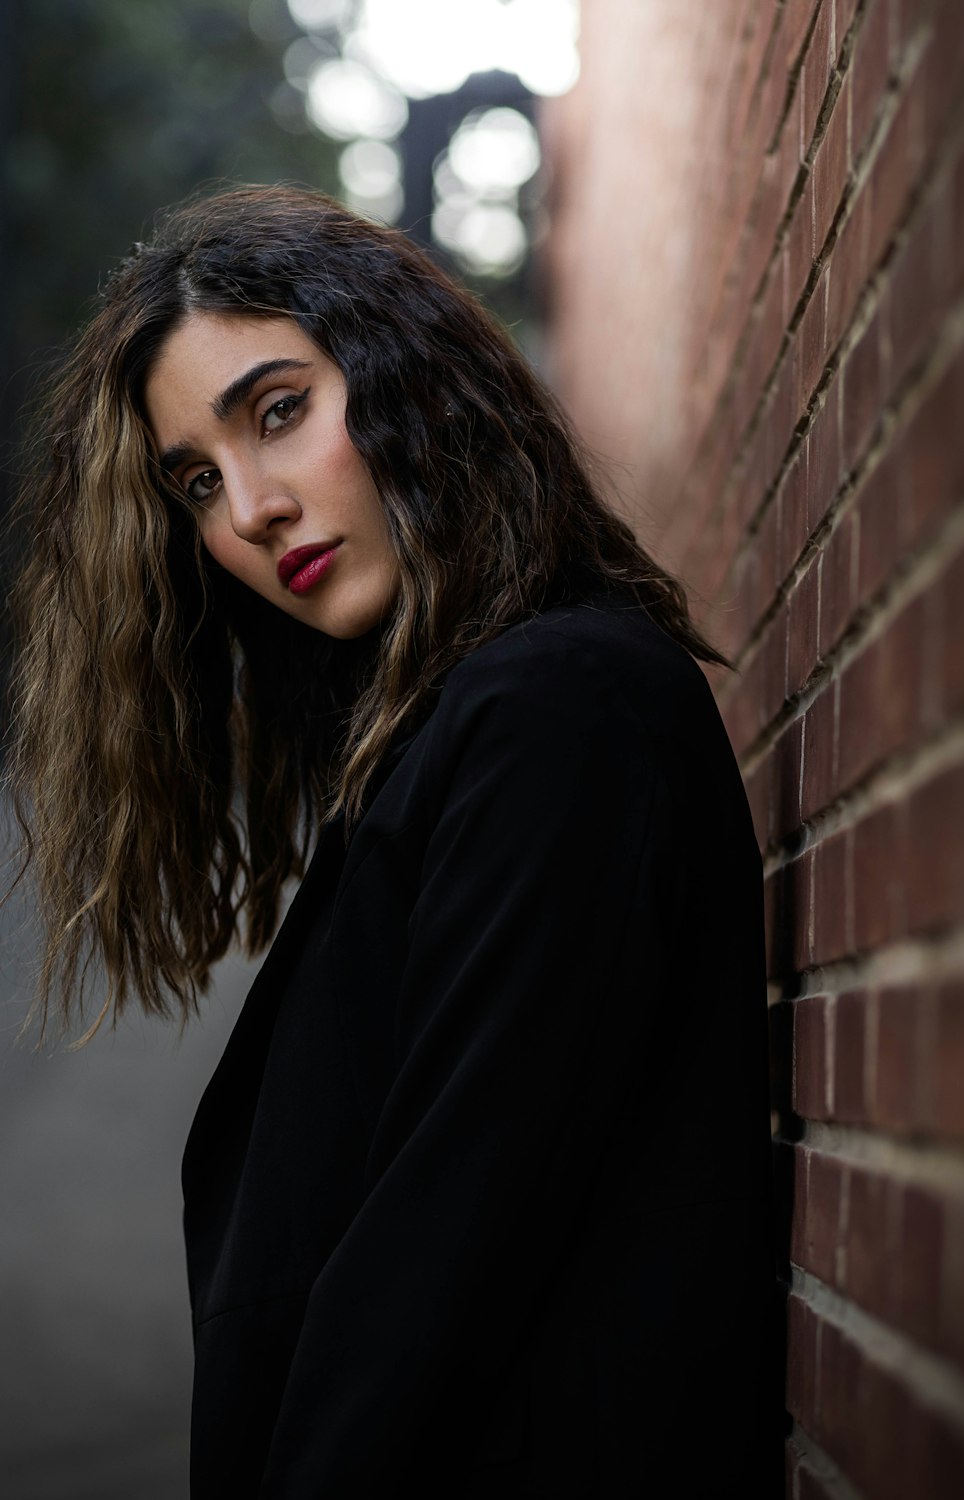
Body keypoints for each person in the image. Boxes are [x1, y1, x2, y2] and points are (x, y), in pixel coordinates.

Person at [6, 185, 774, 1497]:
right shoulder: (458, 739)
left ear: (408, 371)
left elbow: (441, 1267)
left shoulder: (557, 711)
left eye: (280, 412)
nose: (248, 510)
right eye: (196, 482)